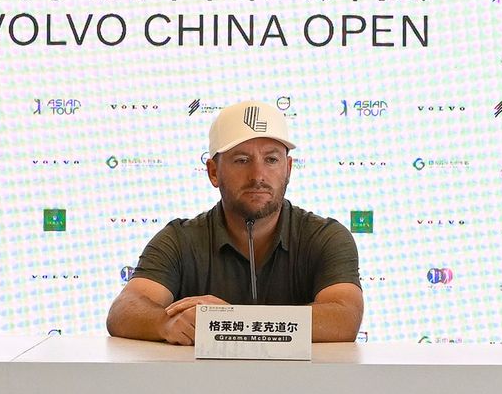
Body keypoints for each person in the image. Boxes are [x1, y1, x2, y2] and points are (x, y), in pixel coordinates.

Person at [107, 100, 363, 344]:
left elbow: (344, 317)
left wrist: (230, 320)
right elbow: (124, 310)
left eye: (271, 159)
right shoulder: (180, 239)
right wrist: (165, 324)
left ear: (288, 169)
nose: (258, 175)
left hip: (302, 389)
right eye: (242, 160)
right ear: (214, 172)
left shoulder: (325, 236)